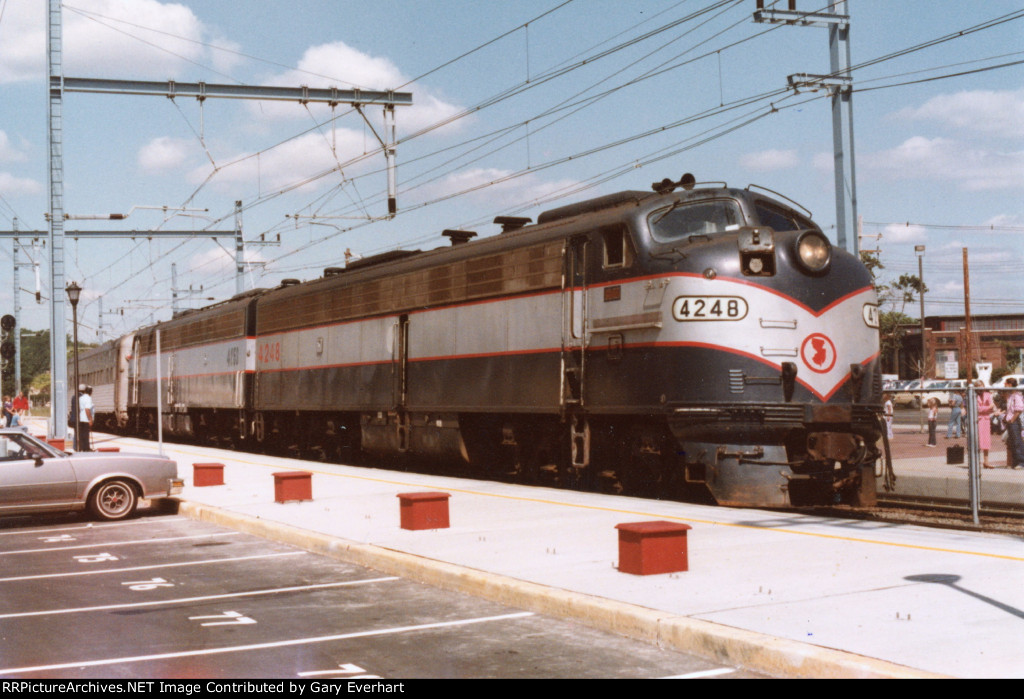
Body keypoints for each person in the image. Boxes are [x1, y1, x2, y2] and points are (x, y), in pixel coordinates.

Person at [1003, 378, 1024, 469]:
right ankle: (1015, 461)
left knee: (1017, 441)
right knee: (1012, 442)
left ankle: (1021, 462)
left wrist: (1012, 420)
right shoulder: (1010, 396)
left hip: (1014, 421)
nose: (1004, 385)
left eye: (1006, 384)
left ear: (1010, 385)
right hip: (1010, 421)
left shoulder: (1017, 396)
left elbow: (1019, 409)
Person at [975, 380, 994, 469]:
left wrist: (987, 408)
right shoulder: (973, 395)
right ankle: (976, 461)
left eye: (982, 387)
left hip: (986, 420)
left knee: (986, 441)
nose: (981, 390)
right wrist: (988, 408)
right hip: (977, 420)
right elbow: (977, 409)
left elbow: (992, 406)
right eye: (979, 387)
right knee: (977, 441)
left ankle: (986, 462)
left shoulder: (987, 394)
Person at [74, 384, 94, 452]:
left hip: (81, 418)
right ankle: (86, 448)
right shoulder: (88, 398)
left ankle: (82, 447)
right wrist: (90, 419)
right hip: (86, 419)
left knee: (82, 434)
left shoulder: (81, 398)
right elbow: (87, 409)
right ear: (90, 392)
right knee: (86, 434)